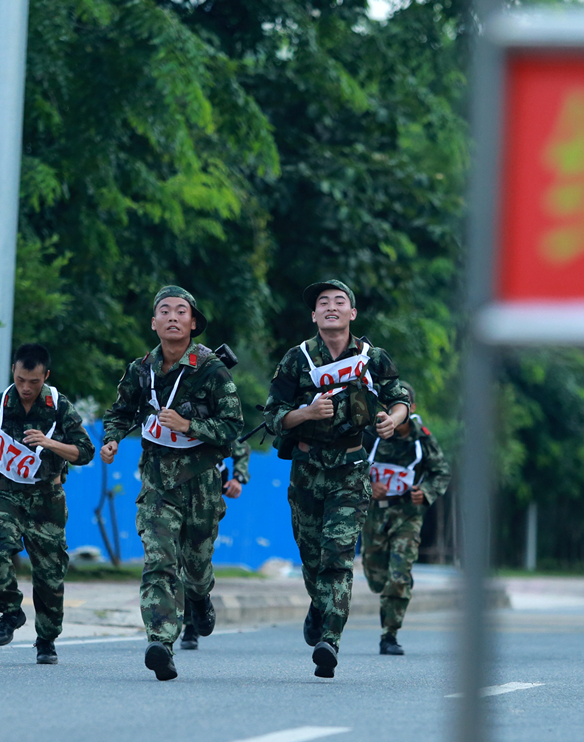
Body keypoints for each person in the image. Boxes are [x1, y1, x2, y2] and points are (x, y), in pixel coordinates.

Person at [263, 279, 410, 679]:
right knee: (312, 558)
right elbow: (273, 416)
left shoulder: (372, 358)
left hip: (350, 468)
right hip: (306, 471)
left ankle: (330, 639)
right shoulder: (296, 359)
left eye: (339, 301)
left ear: (352, 313)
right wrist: (306, 414)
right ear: (314, 315)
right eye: (323, 303)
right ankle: (320, 605)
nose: (331, 307)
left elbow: (400, 398)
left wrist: (391, 421)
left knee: (338, 556)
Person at [100, 286, 243, 681]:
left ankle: (199, 597)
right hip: (157, 481)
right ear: (154, 322)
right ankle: (161, 642)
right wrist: (111, 439)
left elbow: (233, 427)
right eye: (165, 311)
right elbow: (120, 411)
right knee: (159, 560)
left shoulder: (211, 369)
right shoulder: (140, 370)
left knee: (195, 566)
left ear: (193, 323)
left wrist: (188, 425)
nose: (173, 317)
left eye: (182, 311)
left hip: (201, 482)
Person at [0, 343, 94, 664]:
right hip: (5, 493)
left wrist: (50, 442)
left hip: (46, 498)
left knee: (49, 574)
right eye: (20, 379)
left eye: (33, 382)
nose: (25, 388)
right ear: (13, 371)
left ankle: (46, 639)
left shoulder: (59, 406)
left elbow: (85, 452)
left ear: (45, 376)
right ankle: (10, 612)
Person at [361, 381, 451, 655]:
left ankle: (389, 635)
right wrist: (368, 484)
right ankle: (394, 585)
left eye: (401, 405)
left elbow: (441, 472)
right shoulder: (370, 434)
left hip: (407, 515)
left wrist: (426, 492)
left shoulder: (422, 439)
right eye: (389, 405)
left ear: (411, 408)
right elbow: (347, 465)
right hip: (375, 513)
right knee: (377, 579)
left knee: (398, 575)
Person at [180, 440, 251, 651]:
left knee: (195, 562)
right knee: (170, 559)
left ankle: (192, 622)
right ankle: (166, 629)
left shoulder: (210, 420)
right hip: (170, 493)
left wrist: (238, 477)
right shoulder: (161, 424)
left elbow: (239, 446)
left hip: (205, 495)